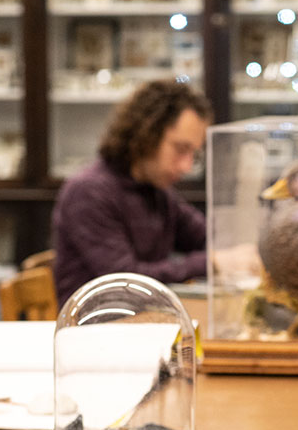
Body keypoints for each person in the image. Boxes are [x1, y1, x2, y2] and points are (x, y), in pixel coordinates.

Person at [52, 79, 213, 306]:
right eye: (180, 149)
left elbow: (206, 236)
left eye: (193, 154)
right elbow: (127, 281)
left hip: (142, 324)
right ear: (147, 134)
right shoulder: (88, 191)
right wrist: (212, 262)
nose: (187, 166)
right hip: (93, 332)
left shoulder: (156, 190)